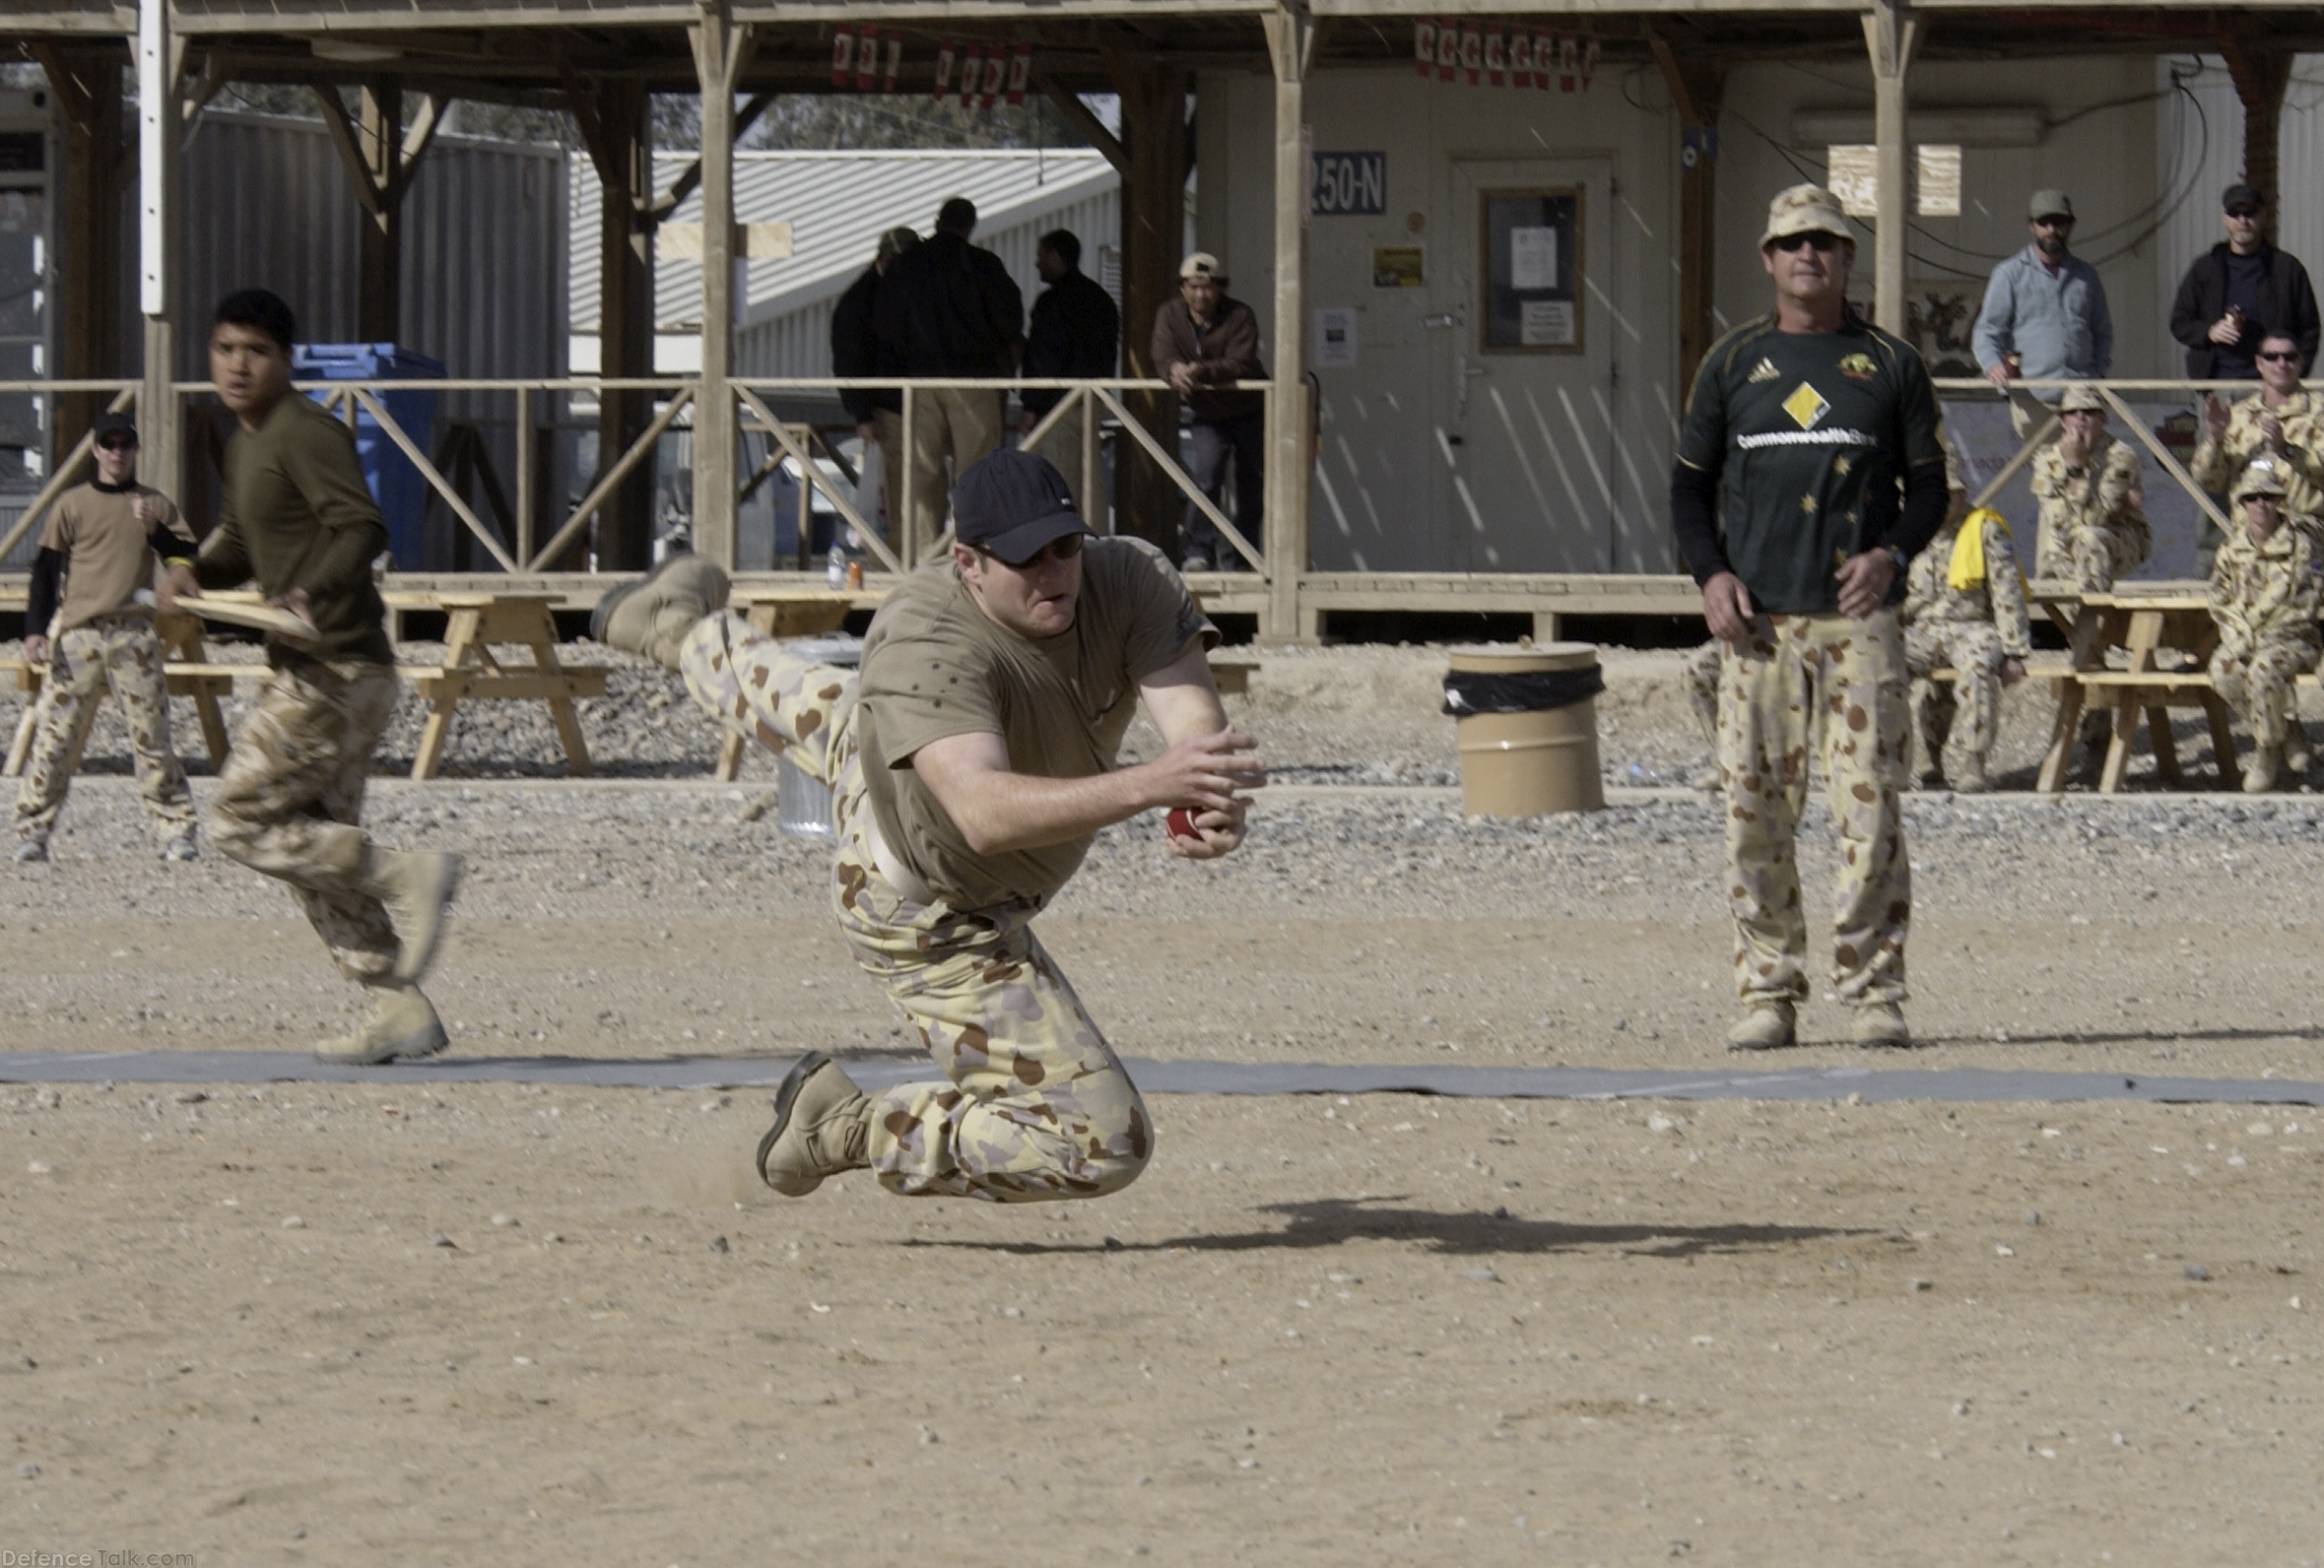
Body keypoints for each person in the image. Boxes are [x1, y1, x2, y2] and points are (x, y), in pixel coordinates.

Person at [598, 447, 1262, 1202]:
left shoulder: (1127, 577)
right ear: (969, 563)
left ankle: (674, 625)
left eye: (1065, 547)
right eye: (1026, 559)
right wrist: (1151, 786)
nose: (1055, 572)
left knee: (802, 699)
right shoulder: (922, 641)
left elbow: (1192, 732)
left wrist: (1204, 799)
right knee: (1100, 1144)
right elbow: (981, 814)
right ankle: (843, 1127)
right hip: (925, 909)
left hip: (888, 753)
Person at [1669, 183, 1948, 1053]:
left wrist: (1891, 554)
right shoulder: (1730, 364)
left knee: (1867, 815)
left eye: (1824, 243)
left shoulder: (1889, 363)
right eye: (1791, 243)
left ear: (1846, 257)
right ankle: (1767, 991)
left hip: (1856, 630)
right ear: (1767, 258)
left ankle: (1874, 991)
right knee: (1754, 812)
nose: (1807, 257)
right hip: (1757, 631)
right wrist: (1709, 575)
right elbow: (1687, 487)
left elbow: (1930, 488)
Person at [157, 289, 462, 1065]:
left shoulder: (305, 430)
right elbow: (238, 546)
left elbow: (362, 524)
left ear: (285, 360)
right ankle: (396, 1007)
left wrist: (310, 593)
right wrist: (189, 569)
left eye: (254, 351)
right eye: (225, 349)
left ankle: (407, 873)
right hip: (326, 667)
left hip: (334, 668)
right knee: (309, 851)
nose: (236, 365)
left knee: (237, 820)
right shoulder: (245, 444)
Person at [12, 411, 199, 863]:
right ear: (96, 449)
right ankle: (32, 832)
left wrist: (156, 532)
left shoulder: (153, 503)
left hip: (133, 634)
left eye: (125, 445)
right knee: (55, 739)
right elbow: (45, 573)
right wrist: (35, 630)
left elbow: (187, 560)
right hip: (78, 637)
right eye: (109, 444)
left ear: (134, 450)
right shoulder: (71, 505)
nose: (117, 453)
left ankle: (177, 831)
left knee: (152, 737)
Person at [873, 197, 1025, 548]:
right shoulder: (983, 265)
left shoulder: (906, 265)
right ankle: (977, 553)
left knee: (922, 478)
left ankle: (926, 562)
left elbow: (884, 323)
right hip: (973, 381)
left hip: (920, 383)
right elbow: (1011, 320)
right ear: (969, 227)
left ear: (937, 221)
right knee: (977, 472)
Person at [1900, 449, 2031, 794]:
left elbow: (2007, 591)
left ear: (1962, 494)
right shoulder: (1910, 529)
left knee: (1976, 670)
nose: (1943, 502)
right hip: (1922, 628)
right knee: (1882, 664)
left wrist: (2015, 651)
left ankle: (1974, 761)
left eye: (1950, 494)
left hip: (1973, 627)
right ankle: (1907, 759)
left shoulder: (1983, 528)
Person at [2208, 459, 2324, 794]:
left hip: (2294, 640)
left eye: (2269, 497)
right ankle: (2285, 732)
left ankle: (2264, 754)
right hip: (2245, 639)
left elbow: (2300, 606)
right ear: (2242, 504)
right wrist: (2236, 636)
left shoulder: (2301, 545)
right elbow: (2219, 600)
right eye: (2253, 498)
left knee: (2261, 671)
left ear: (2279, 502)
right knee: (2222, 670)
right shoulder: (2231, 549)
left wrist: (2254, 638)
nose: (2261, 504)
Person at [1151, 252, 1267, 571]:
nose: (1201, 294)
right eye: (1194, 286)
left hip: (1249, 408)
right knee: (1207, 474)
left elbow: (1241, 362)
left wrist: (1199, 371)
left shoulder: (1240, 315)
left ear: (1220, 289)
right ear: (1183, 288)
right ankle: (1198, 552)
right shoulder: (1169, 314)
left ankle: (1243, 557)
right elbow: (1161, 353)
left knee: (1251, 484)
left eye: (1209, 287)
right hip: (1207, 412)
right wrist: (1173, 370)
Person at [1973, 190, 2112, 436]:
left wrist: (2097, 372)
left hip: (2081, 398)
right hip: (2033, 398)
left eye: (2058, 222)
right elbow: (1986, 332)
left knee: (2101, 466)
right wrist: (1993, 365)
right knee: (2049, 469)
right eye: (2043, 222)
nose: (2051, 230)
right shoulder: (2009, 274)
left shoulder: (2086, 275)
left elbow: (2102, 332)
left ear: (2070, 226)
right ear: (2031, 226)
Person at [2190, 330, 2324, 568]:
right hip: (2247, 537)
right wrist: (2216, 439)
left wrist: (2288, 451)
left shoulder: (2319, 412)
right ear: (2259, 363)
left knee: (2291, 550)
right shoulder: (2239, 415)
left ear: (2301, 363)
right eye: (2272, 357)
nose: (2281, 363)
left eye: (2289, 357)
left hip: (2304, 532)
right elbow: (2207, 480)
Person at [2168, 183, 2321, 381]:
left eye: (2250, 213)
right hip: (2217, 385)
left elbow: (2310, 328)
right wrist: (2209, 332)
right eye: (2234, 213)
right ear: (2224, 218)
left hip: (2273, 388)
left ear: (2262, 215)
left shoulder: (2287, 269)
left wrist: (2295, 373)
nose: (2242, 221)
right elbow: (2179, 322)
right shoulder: (2205, 269)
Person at [1019, 229, 1120, 517]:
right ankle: (1096, 546)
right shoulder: (1101, 299)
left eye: (1040, 256)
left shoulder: (1053, 303)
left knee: (1058, 484)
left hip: (1057, 407)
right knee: (1090, 482)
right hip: (1091, 402)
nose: (1037, 263)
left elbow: (1046, 355)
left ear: (1054, 256)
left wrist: (1031, 405)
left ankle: (1065, 549)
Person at [830, 227, 921, 544]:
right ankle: (890, 562)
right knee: (892, 491)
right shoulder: (861, 302)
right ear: (886, 260)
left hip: (900, 405)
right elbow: (848, 359)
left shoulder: (889, 295)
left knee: (907, 489)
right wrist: (862, 414)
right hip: (884, 410)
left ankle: (901, 557)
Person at [2030, 384, 2150, 590]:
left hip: (2117, 543)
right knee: (2062, 534)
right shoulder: (2046, 458)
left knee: (2089, 537)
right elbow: (2058, 518)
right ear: (2062, 421)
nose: (2080, 418)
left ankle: (2093, 615)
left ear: (2103, 419)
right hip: (2063, 546)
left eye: (2089, 412)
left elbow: (2095, 520)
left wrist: (2076, 468)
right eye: (2072, 412)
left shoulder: (2121, 456)